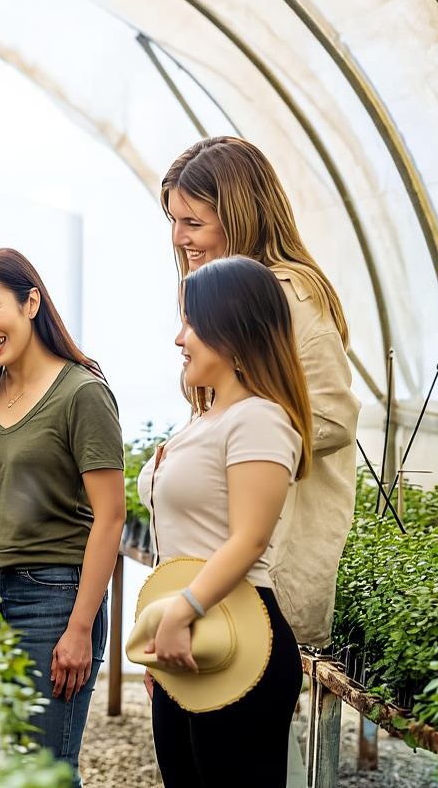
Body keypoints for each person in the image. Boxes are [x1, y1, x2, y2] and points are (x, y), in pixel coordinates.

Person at [161, 135, 360, 648]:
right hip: (217, 562)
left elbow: (332, 418)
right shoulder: (220, 294)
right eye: (174, 222)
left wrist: (240, 443)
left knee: (245, 698)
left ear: (241, 216)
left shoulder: (291, 298)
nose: (179, 237)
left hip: (264, 560)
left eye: (194, 223)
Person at [0, 247, 125, 785]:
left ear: (31, 302)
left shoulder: (82, 394)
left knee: (43, 769)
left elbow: (110, 519)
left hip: (52, 597)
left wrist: (79, 629)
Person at [137, 255, 309, 786]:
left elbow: (250, 538)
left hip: (238, 636)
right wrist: (165, 633)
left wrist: (179, 613)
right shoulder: (205, 419)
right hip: (190, 633)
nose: (178, 338)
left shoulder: (260, 418)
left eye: (190, 323)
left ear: (231, 331)